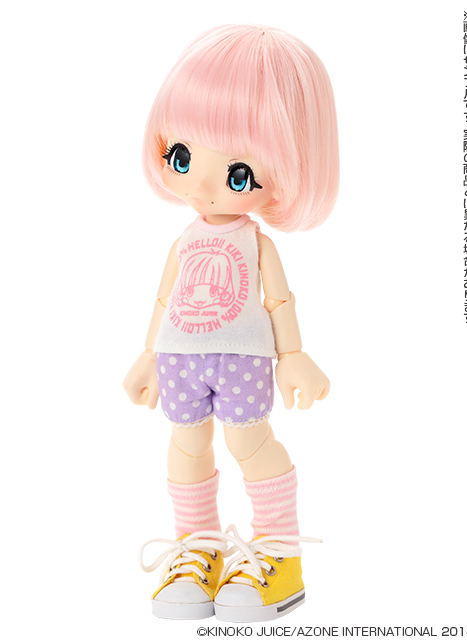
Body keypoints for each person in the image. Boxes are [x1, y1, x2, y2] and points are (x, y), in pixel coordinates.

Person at [124, 23, 339, 622]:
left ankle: (279, 551)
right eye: (182, 156)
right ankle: (198, 547)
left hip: (242, 358)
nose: (201, 184)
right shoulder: (183, 241)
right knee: (186, 445)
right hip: (179, 358)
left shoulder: (256, 242)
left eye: (238, 173)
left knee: (250, 442)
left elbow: (279, 301)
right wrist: (148, 355)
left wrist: (293, 356)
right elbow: (164, 301)